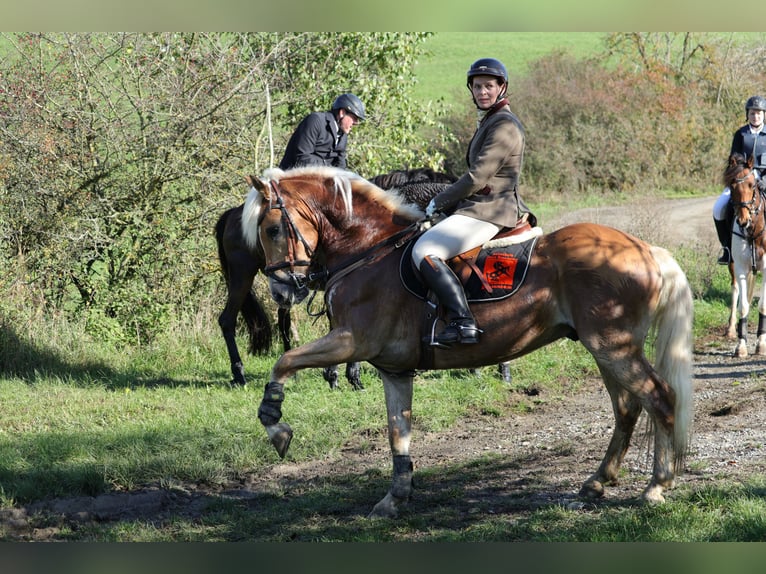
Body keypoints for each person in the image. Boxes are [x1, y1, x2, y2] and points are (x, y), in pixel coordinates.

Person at [412, 57, 531, 346]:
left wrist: (438, 201)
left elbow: (477, 178)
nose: (482, 92)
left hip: (491, 211)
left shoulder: (504, 126)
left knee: (425, 250)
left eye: (489, 86)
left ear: (502, 87)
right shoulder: (491, 120)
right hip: (480, 208)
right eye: (477, 87)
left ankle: (463, 322)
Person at [713, 95, 766, 264]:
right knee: (719, 208)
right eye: (752, 113)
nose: (755, 116)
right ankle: (727, 249)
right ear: (747, 114)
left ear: (764, 114)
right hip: (742, 182)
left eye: (758, 113)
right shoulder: (740, 134)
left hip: (764, 181)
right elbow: (733, 160)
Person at [279, 93, 365, 170]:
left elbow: (341, 166)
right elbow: (302, 158)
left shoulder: (343, 135)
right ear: (342, 113)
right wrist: (329, 170)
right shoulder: (315, 121)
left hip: (319, 182)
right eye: (354, 118)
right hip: (291, 178)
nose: (356, 123)